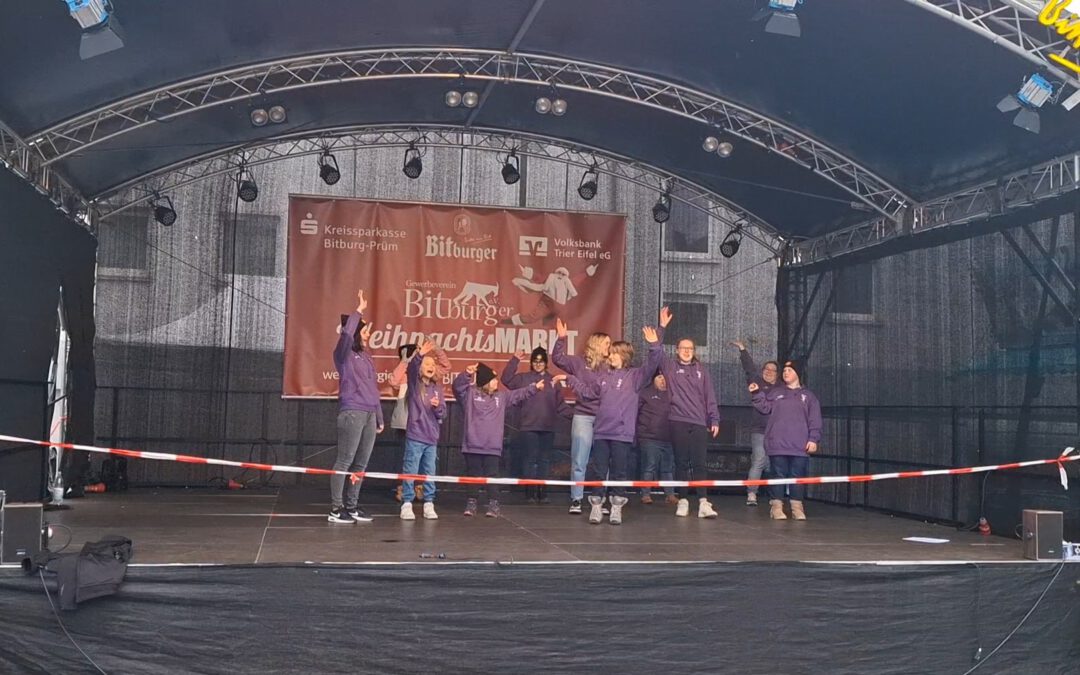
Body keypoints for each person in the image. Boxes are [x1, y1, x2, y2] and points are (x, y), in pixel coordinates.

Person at [561, 320, 662, 525]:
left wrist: (654, 344)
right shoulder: (603, 377)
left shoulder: (635, 377)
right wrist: (570, 379)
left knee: (619, 471)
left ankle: (616, 507)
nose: (610, 355)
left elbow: (652, 365)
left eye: (614, 353)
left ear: (623, 355)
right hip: (601, 432)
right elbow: (588, 394)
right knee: (599, 471)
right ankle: (596, 506)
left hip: (621, 433)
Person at [453, 363, 550, 517]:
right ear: (485, 381)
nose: (496, 382)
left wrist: (534, 388)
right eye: (493, 380)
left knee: (492, 475)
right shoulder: (470, 395)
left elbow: (519, 394)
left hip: (492, 446)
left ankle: (493, 503)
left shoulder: (501, 397)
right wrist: (466, 373)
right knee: (473, 475)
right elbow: (457, 387)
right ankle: (471, 502)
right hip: (473, 445)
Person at [657, 307, 720, 519]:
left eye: (690, 348)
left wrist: (715, 419)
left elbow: (710, 396)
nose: (686, 351)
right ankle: (682, 500)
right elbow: (655, 351)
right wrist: (662, 327)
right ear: (676, 350)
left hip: (699, 422)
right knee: (681, 462)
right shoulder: (670, 367)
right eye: (683, 348)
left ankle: (703, 502)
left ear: (694, 351)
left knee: (700, 462)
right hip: (678, 421)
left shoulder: (702, 370)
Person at [329, 289, 384, 524]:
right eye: (366, 330)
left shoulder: (367, 358)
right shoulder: (343, 355)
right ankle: (336, 508)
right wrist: (359, 310)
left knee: (361, 463)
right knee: (345, 459)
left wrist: (379, 416)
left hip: (370, 413)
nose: (369, 334)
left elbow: (373, 388)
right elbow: (348, 335)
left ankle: (352, 505)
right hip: (352, 411)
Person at [749, 360, 822, 520]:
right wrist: (756, 393)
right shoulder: (776, 392)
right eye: (785, 370)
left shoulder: (808, 396)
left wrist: (813, 439)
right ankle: (776, 507)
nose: (786, 373)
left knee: (797, 476)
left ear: (797, 374)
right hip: (778, 444)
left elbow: (814, 420)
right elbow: (764, 407)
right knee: (778, 475)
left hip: (799, 445)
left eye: (790, 370)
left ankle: (797, 507)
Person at [551, 321, 611, 515]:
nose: (609, 347)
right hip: (583, 416)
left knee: (603, 462)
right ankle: (576, 499)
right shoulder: (578, 363)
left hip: (604, 417)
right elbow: (557, 358)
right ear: (597, 344)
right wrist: (561, 338)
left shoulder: (610, 366)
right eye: (607, 344)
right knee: (579, 459)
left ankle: (599, 500)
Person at [500, 346, 573, 503]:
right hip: (529, 426)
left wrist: (576, 416)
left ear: (546, 363)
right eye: (535, 361)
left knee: (544, 460)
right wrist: (515, 359)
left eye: (541, 361)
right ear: (531, 362)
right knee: (529, 459)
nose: (538, 364)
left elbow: (560, 405)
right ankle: (529, 492)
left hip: (547, 426)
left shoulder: (553, 381)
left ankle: (542, 491)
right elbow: (506, 379)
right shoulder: (523, 379)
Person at [390, 340, 449, 503]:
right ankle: (406, 497)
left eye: (432, 364)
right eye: (426, 363)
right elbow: (400, 376)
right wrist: (415, 356)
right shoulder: (413, 383)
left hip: (430, 435)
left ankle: (427, 499)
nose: (431, 366)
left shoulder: (437, 388)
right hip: (411, 428)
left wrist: (436, 349)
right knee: (409, 464)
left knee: (429, 469)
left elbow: (442, 412)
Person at [730, 340, 779, 507]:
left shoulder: (782, 388)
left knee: (774, 464)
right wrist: (743, 350)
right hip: (759, 430)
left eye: (773, 370)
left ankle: (775, 497)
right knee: (759, 459)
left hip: (777, 432)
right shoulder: (757, 381)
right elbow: (749, 369)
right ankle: (752, 494)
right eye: (767, 369)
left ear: (777, 374)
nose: (769, 372)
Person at [637, 373, 677, 506]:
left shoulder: (673, 395)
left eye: (665, 378)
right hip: (649, 438)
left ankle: (670, 494)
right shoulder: (645, 394)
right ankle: (645, 494)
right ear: (653, 379)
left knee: (668, 468)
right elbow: (636, 412)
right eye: (659, 377)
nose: (662, 381)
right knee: (649, 466)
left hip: (669, 438)